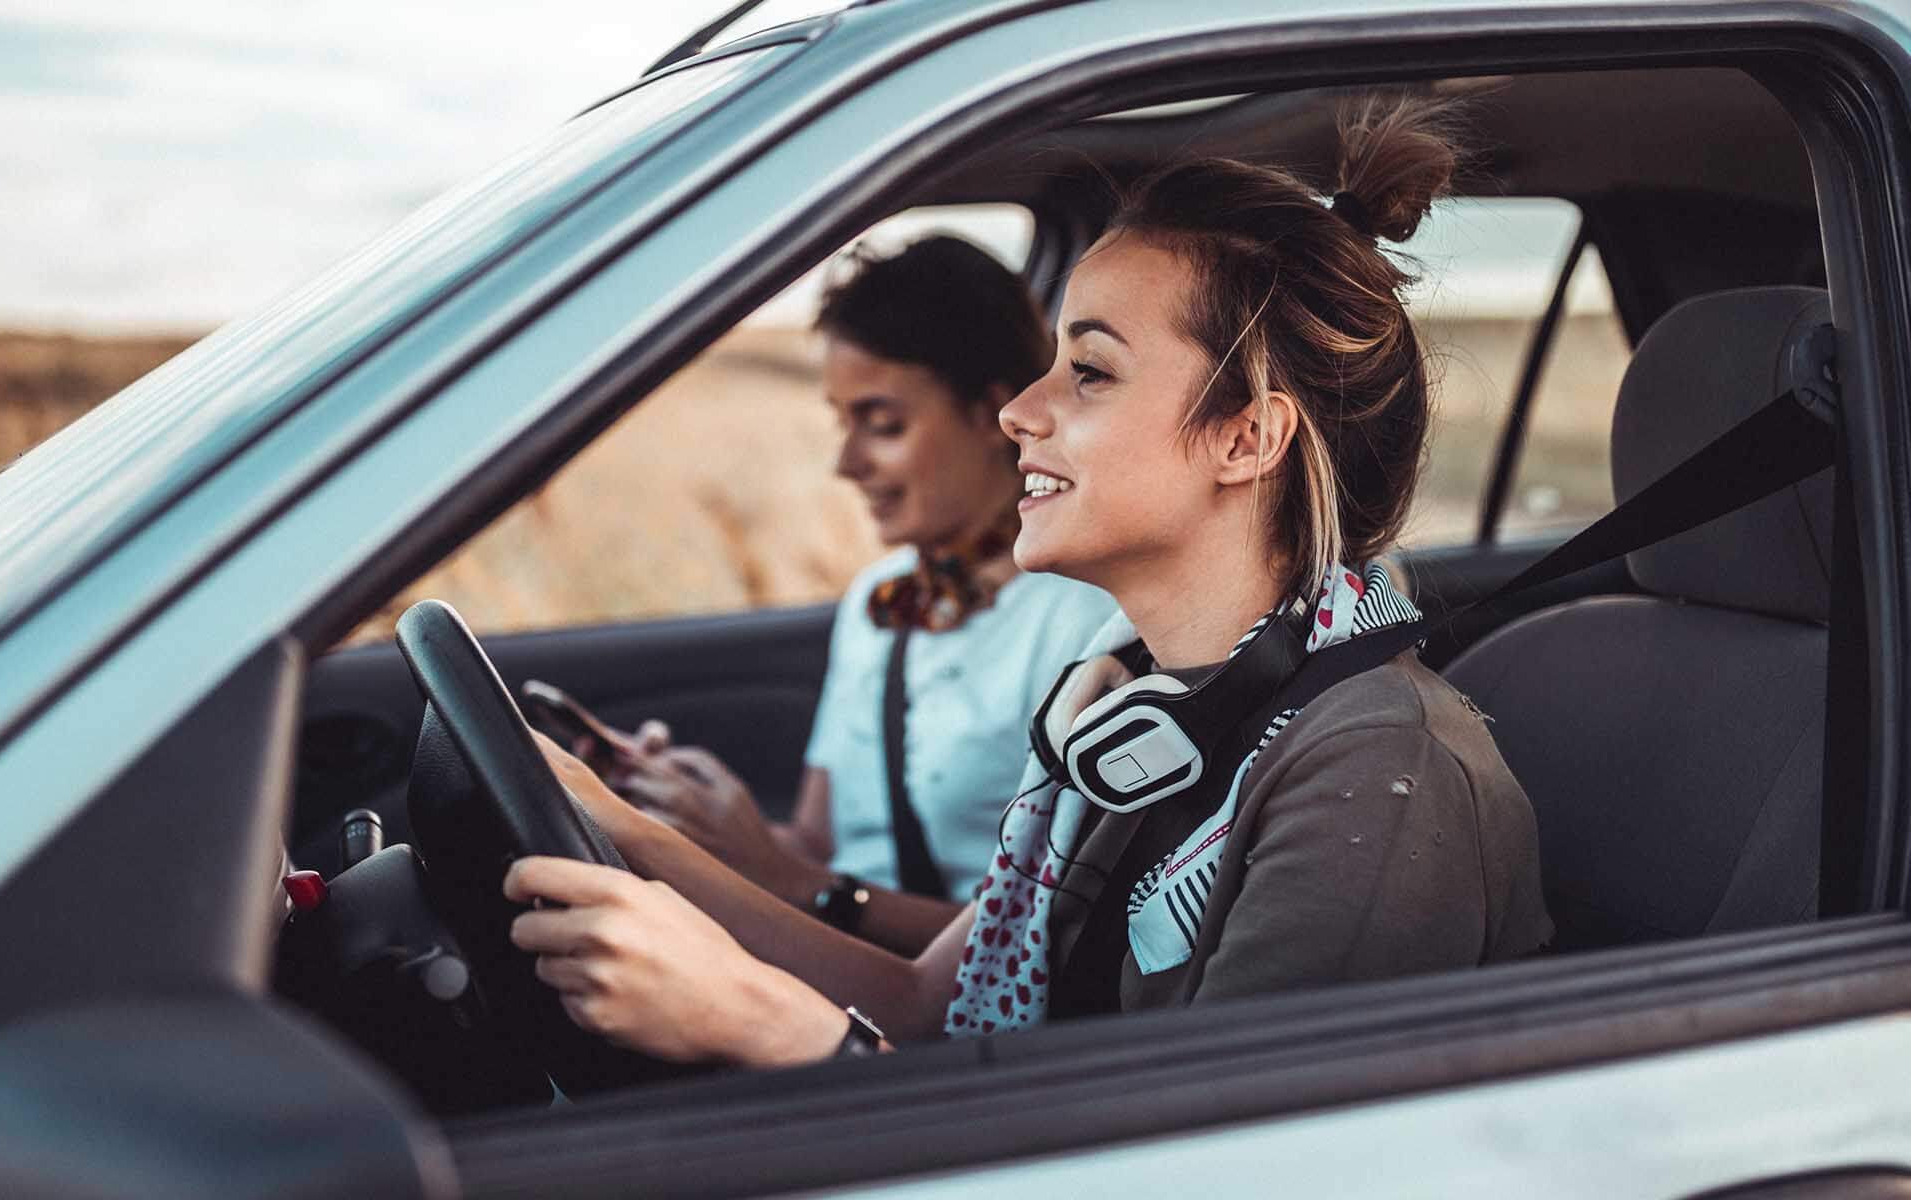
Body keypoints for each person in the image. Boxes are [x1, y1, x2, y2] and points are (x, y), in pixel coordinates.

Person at [506, 95, 1553, 1067]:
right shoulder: (1133, 709)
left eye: (1087, 371)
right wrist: (623, 828)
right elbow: (921, 1007)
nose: (1019, 412)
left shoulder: (1375, 769)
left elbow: (1203, 1172)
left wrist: (769, 1026)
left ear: (1246, 436)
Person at [604, 236, 1117, 956]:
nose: (847, 465)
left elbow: (1049, 941)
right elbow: (818, 841)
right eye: (842, 422)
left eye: (883, 424)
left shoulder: (1086, 619)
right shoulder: (878, 597)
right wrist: (687, 816)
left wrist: (792, 881)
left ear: (993, 411)